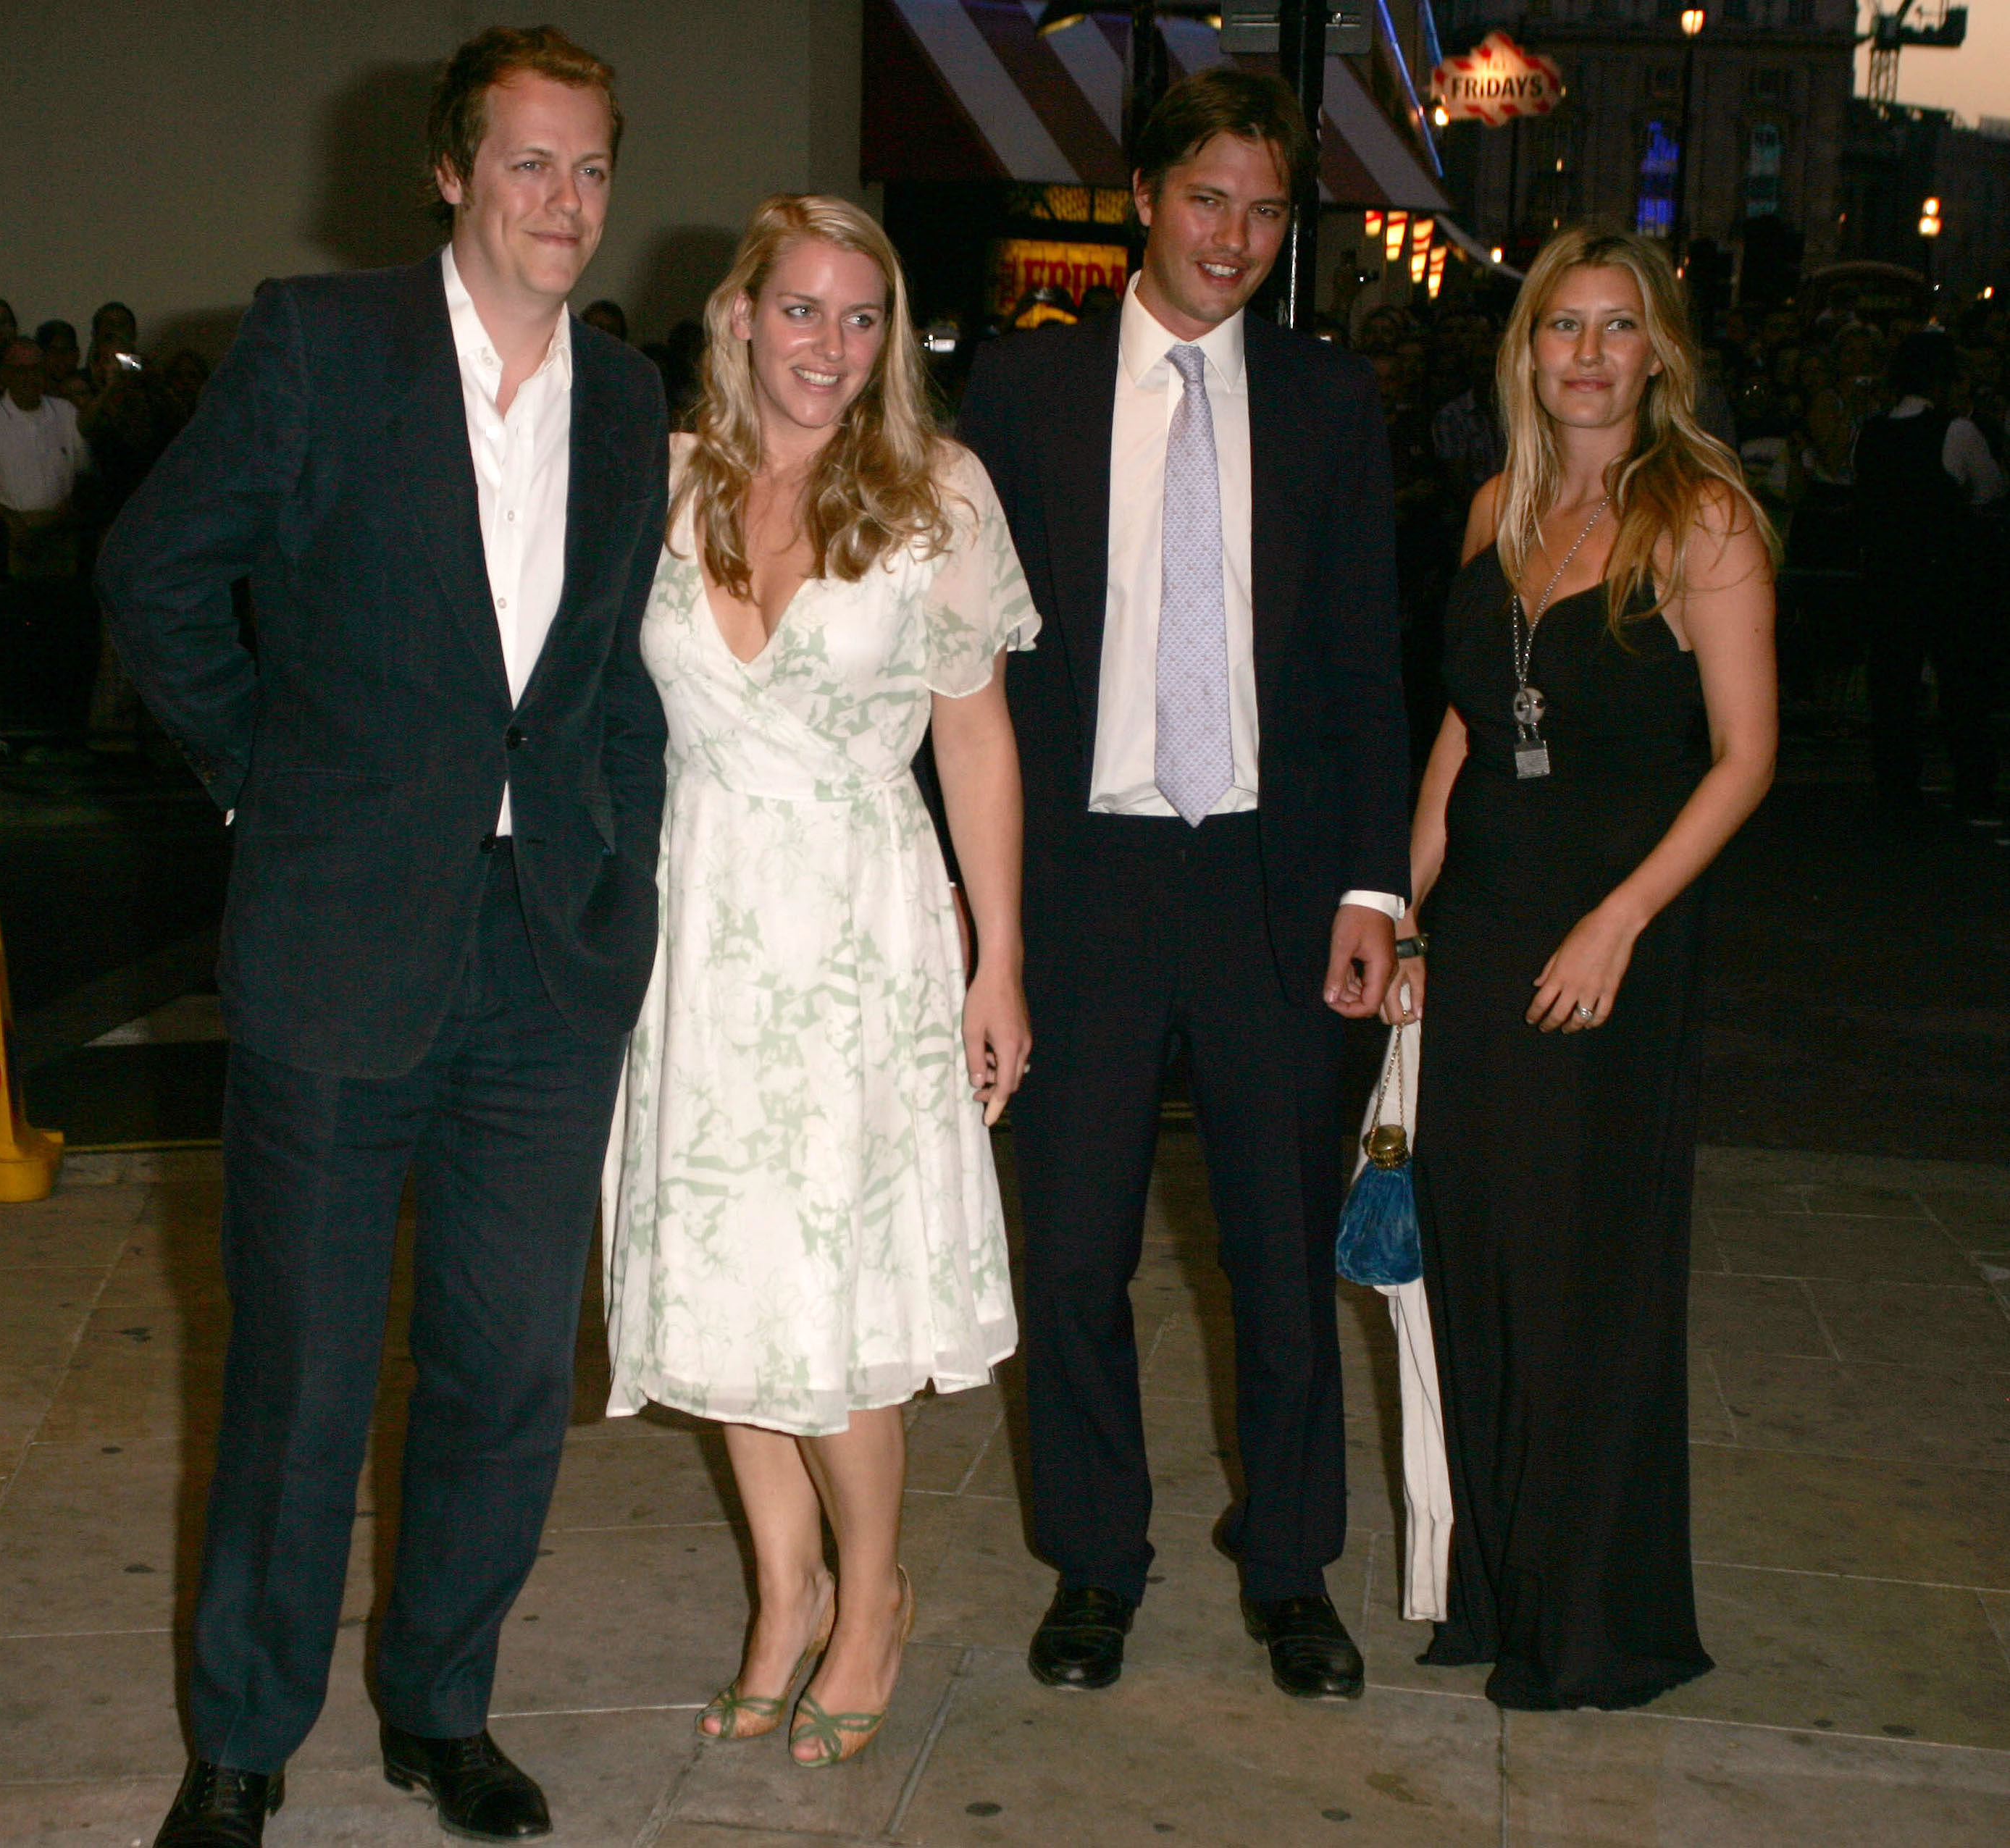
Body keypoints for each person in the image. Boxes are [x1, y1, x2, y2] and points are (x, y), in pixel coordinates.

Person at [97, 25, 668, 1846]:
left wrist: (620, 872)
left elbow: (612, 681)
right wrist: (263, 782)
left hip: (543, 957)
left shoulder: (629, 394)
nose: (564, 200)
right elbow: (155, 575)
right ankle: (242, 1738)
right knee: (300, 1378)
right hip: (339, 939)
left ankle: (440, 1703)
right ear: (449, 171)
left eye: (590, 167)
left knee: (506, 1373)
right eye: (529, 162)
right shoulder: (319, 346)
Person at [958, 66, 1410, 1703]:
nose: (1233, 236)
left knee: (1280, 1264)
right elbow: (970, 669)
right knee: (1074, 1253)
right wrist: (983, 917)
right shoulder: (1018, 393)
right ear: (1142, 197)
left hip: (1271, 883)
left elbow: (1363, 654)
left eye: (1265, 209)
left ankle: (1290, 1566)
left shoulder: (1326, 399)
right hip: (1086, 879)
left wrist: (1373, 889)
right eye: (1207, 198)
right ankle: (1096, 1560)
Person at [606, 193, 1035, 1768]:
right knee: (728, 1269)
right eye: (802, 309)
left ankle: (872, 1598)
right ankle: (783, 1595)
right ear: (739, 316)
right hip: (699, 922)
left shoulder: (937, 494)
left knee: (838, 1286)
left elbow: (976, 738)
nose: (831, 345)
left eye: (864, 318)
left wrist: (1001, 960)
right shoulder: (659, 482)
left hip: (862, 928)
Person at [1393, 226, 1777, 1711]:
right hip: (1488, 920)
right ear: (1529, 348)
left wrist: (1622, 919)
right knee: (1476, 1245)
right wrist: (1407, 909)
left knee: (1578, 1268)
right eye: (1566, 325)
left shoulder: (1704, 515)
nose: (1591, 354)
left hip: (1616, 934)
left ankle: (1592, 1615)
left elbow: (1745, 758)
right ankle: (1497, 1587)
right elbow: (1468, 720)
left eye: (1620, 327)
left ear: (1659, 351)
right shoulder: (1500, 503)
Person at [1853, 331, 2006, 823]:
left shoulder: (1871, 432)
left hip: (1887, 576)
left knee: (1892, 686)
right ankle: (1973, 785)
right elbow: (1989, 488)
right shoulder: (1955, 430)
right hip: (1944, 575)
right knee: (1961, 683)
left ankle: (1896, 784)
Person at [0, 338, 88, 577]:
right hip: (8, 538)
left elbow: (84, 472)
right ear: (5, 374)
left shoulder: (66, 413)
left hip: (61, 532)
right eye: (20, 370)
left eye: (35, 369)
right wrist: (11, 520)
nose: (29, 377)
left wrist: (65, 511)